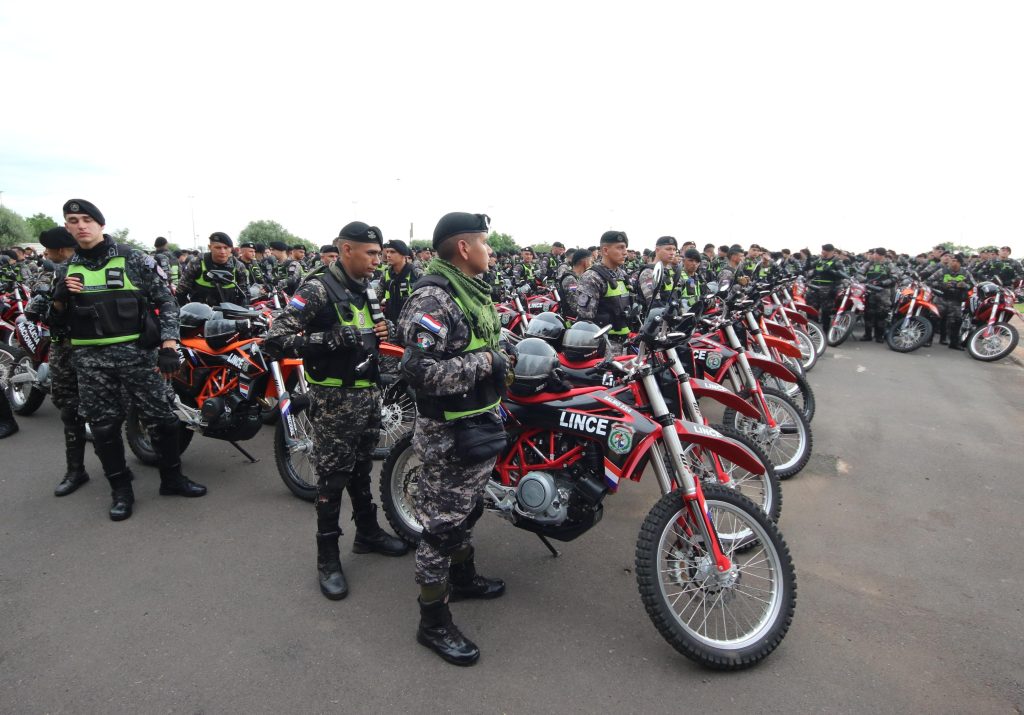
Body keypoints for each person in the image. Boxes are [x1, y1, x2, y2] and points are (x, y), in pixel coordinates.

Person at [264, 221, 407, 601]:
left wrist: (386, 330)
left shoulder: (367, 288)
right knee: (331, 480)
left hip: (368, 394)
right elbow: (274, 340)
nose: (377, 260)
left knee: (361, 469)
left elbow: (371, 331)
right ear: (346, 249)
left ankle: (367, 533)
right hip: (333, 400)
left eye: (379, 254)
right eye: (370, 253)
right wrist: (325, 339)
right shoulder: (317, 288)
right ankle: (327, 557)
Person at [397, 211, 509, 666]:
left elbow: (484, 343)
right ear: (464, 247)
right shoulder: (433, 298)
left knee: (468, 509)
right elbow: (419, 371)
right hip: (447, 434)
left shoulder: (471, 291)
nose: (490, 251)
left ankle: (462, 579)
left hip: (476, 423)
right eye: (484, 242)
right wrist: (488, 363)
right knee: (441, 529)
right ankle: (433, 621)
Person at [49, 199, 205, 522]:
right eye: (73, 221)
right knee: (104, 428)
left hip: (138, 355)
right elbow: (56, 327)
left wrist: (169, 344)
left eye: (87, 219)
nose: (81, 226)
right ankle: (121, 492)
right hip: (90, 361)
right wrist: (60, 299)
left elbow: (167, 300)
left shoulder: (133, 258)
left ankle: (172, 479)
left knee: (164, 420)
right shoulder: (65, 270)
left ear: (100, 224)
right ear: (67, 227)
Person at [24, 226, 92, 495]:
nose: (46, 253)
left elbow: (34, 313)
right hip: (71, 349)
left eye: (49, 249)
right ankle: (79, 470)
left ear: (61, 250)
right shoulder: (59, 271)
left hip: (81, 350)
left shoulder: (60, 271)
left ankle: (93, 470)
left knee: (88, 411)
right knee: (78, 411)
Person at [576, 231, 631, 350]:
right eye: (620, 248)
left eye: (625, 248)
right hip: (605, 346)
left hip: (626, 342)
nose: (625, 252)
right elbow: (585, 320)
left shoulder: (623, 275)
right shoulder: (592, 277)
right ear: (605, 250)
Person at [176, 232, 250, 306]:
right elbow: (181, 290)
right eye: (218, 248)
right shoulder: (196, 263)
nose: (222, 252)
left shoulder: (238, 266)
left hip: (229, 311)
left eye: (226, 248)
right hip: (200, 311)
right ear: (210, 247)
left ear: (231, 249)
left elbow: (245, 294)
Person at [927, 253, 975, 349]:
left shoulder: (965, 273)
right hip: (941, 299)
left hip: (956, 301)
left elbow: (973, 285)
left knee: (956, 322)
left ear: (960, 263)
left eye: (956, 261)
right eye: (952, 261)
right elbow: (929, 281)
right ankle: (928, 340)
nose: (953, 263)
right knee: (933, 319)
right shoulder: (942, 271)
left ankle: (954, 343)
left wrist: (965, 285)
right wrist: (942, 284)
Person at [803, 243, 849, 337]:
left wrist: (832, 271)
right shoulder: (819, 260)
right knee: (811, 312)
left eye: (825, 251)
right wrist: (808, 257)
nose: (823, 252)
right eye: (823, 250)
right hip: (814, 289)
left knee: (826, 313)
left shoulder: (837, 261)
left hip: (828, 291)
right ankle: (813, 333)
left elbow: (843, 275)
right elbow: (807, 267)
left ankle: (824, 333)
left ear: (830, 251)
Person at [381, 239, 422, 323]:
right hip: (390, 322)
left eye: (392, 252)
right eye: (387, 252)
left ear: (404, 255)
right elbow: (377, 296)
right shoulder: (386, 274)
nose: (388, 255)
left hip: (410, 322)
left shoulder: (416, 273)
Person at [635, 236, 678, 314]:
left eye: (674, 249)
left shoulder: (667, 271)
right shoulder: (649, 272)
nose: (672, 253)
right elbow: (654, 305)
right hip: (657, 319)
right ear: (657, 250)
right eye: (668, 249)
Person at [862, 248, 895, 342]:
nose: (873, 255)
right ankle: (867, 335)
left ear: (879, 255)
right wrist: (866, 281)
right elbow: (859, 273)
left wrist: (882, 283)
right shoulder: (869, 264)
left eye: (875, 254)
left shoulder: (889, 265)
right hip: (869, 291)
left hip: (883, 292)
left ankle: (879, 336)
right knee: (868, 313)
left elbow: (895, 277)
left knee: (882, 314)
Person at [559, 248, 591, 320]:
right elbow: (575, 305)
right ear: (585, 262)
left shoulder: (578, 277)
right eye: (590, 261)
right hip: (573, 320)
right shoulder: (570, 279)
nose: (591, 264)